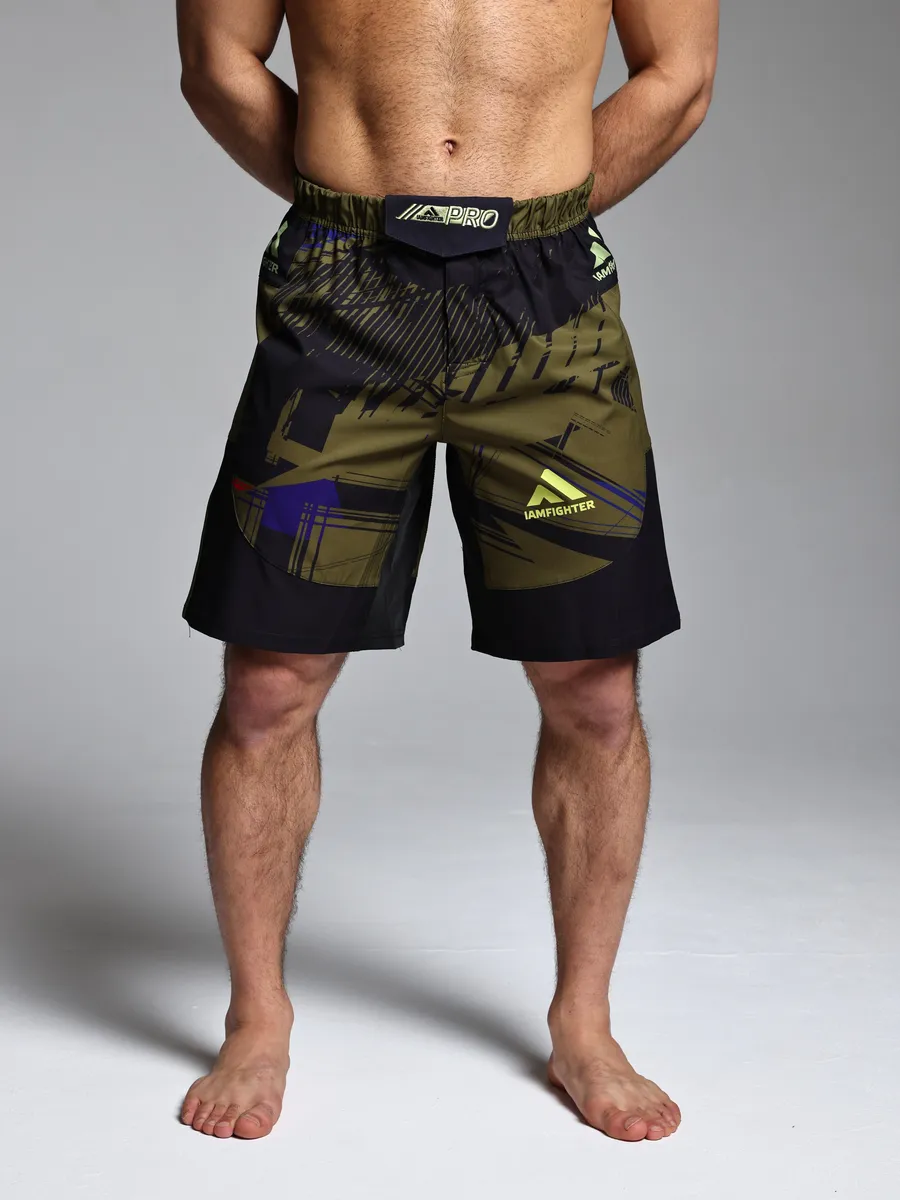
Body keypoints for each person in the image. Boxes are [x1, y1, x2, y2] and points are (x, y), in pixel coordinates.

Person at [175, 0, 718, 1142]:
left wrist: (534, 220)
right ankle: (257, 1018)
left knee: (595, 688)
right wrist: (357, 210)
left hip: (547, 301)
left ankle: (584, 1022)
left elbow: (679, 74)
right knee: (269, 683)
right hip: (342, 291)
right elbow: (219, 62)